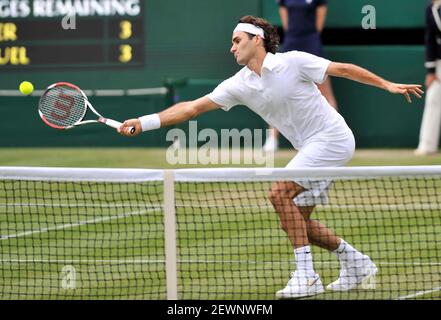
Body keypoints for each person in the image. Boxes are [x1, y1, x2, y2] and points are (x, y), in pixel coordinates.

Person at [118, 16, 423, 298]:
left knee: (279, 195)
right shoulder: (238, 84)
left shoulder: (294, 61)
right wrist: (145, 122)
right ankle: (357, 263)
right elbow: (192, 108)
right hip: (310, 148)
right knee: (296, 221)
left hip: (332, 139)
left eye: (237, 40)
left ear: (257, 40)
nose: (231, 47)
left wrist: (386, 84)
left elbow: (341, 69)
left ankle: (307, 276)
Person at [263, 0, 338, 152]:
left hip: (312, 42)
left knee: (326, 92)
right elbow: (286, 24)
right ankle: (272, 139)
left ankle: (335, 135)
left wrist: (310, 37)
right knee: (278, 92)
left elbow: (318, 25)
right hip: (292, 42)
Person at [415, 0, 441, 155]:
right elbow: (430, 39)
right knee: (433, 98)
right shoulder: (430, 9)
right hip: (439, 63)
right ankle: (427, 145)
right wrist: (431, 71)